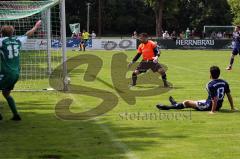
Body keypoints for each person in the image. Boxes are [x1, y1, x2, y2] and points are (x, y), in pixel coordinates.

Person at [0, 20, 41, 121]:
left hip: (6, 73)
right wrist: (35, 27)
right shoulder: (17, 40)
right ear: (12, 33)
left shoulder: (1, 41)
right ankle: (16, 115)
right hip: (16, 73)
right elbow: (28, 34)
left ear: (2, 33)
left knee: (5, 92)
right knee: (6, 93)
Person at [156, 66, 237, 114]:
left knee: (187, 102)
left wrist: (212, 111)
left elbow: (214, 99)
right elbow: (229, 95)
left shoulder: (210, 84)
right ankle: (176, 104)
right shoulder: (224, 82)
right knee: (192, 102)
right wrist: (232, 107)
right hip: (216, 105)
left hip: (209, 106)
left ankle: (167, 107)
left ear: (210, 74)